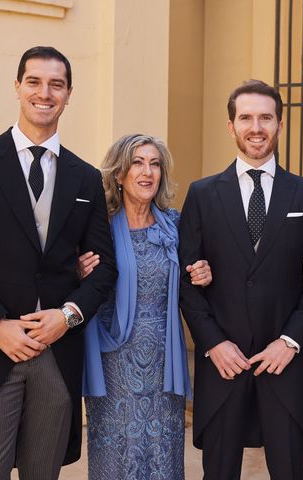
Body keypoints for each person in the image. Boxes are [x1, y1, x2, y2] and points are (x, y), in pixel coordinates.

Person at [0, 46, 117, 478]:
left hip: (57, 351)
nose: (45, 93)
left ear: (68, 95)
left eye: (56, 85)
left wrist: (68, 315)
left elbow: (104, 270)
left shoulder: (86, 178)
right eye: (35, 82)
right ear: (17, 87)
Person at [178, 79, 303, 480]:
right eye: (246, 117)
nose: (256, 127)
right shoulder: (202, 194)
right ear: (231, 126)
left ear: (280, 124)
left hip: (283, 363)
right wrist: (213, 343)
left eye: (266, 117)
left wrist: (291, 342)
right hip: (223, 365)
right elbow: (185, 281)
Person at [80, 134, 212, 479]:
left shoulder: (176, 225)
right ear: (119, 173)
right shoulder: (98, 228)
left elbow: (194, 274)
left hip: (162, 362)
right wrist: (76, 273)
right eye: (138, 162)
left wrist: (203, 272)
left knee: (162, 453)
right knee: (115, 454)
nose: (147, 171)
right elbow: (77, 282)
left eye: (155, 164)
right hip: (114, 363)